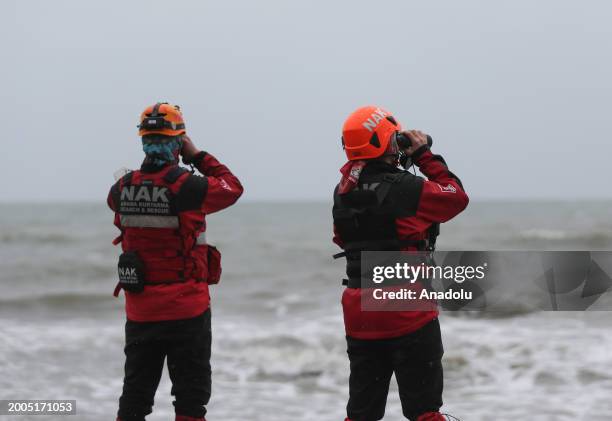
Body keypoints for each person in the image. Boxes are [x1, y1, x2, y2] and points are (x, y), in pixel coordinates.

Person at [107, 102, 243, 421]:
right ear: (178, 141)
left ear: (143, 140)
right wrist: (197, 156)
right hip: (187, 309)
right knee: (190, 400)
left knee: (135, 396)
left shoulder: (121, 189)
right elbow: (232, 187)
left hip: (141, 310)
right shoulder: (189, 187)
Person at [333, 106, 469, 421]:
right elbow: (456, 197)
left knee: (362, 412)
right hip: (407, 310)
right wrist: (423, 155)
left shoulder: (342, 192)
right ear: (386, 141)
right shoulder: (406, 188)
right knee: (424, 411)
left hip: (359, 310)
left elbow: (341, 239)